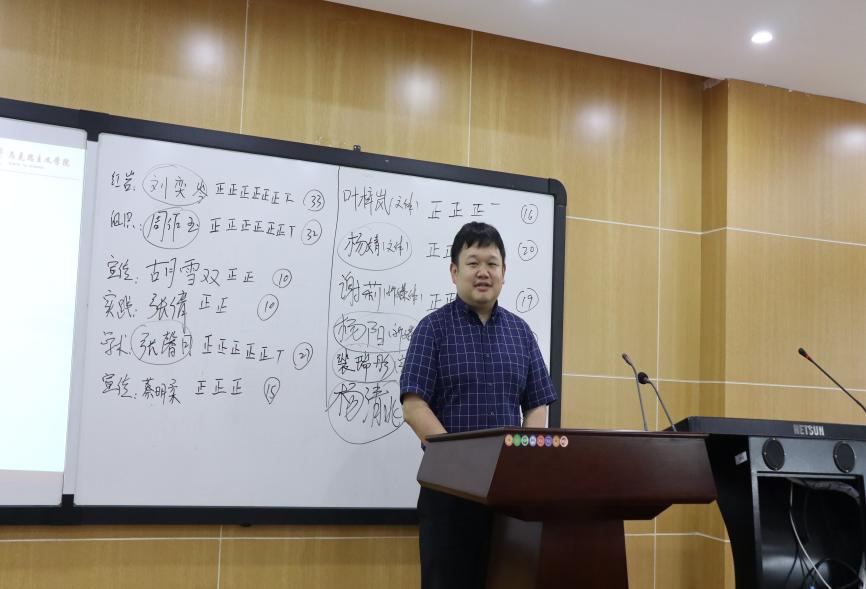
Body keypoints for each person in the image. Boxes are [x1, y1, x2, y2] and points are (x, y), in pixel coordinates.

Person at [400, 221, 558, 589]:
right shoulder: (432, 329)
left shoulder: (521, 333)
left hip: (509, 496)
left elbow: (537, 404)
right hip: (449, 493)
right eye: (473, 263)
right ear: (454, 272)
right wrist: (460, 462)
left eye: (492, 263)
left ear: (504, 272)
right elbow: (414, 406)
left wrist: (526, 459)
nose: (483, 272)